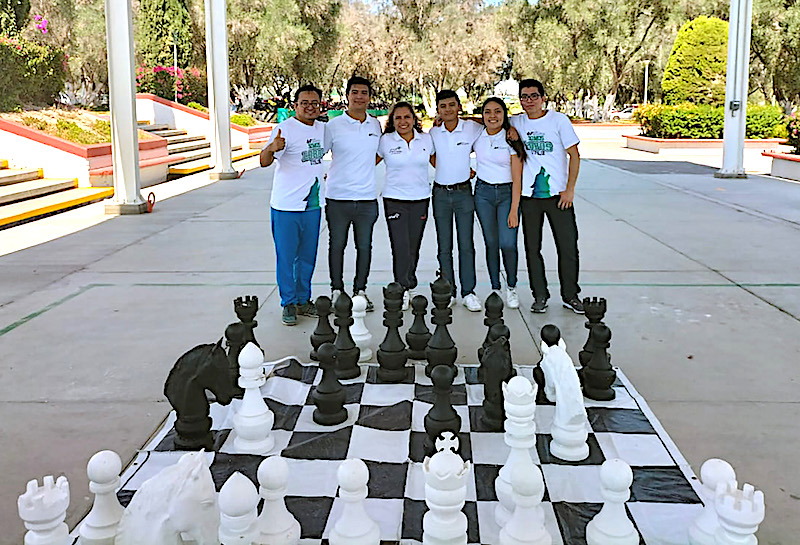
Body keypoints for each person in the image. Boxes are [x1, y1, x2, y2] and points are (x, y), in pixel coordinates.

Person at [510, 79, 584, 314]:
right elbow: (488, 119)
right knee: (533, 248)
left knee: (568, 246)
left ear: (543, 98)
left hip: (558, 197)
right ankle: (539, 295)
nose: (529, 101)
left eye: (533, 96)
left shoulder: (558, 121)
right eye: (524, 96)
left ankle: (570, 295)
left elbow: (575, 156)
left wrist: (569, 189)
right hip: (529, 198)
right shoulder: (516, 122)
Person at [260, 84, 325, 326]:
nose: (310, 107)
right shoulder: (283, 129)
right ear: (295, 105)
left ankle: (303, 299)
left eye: (314, 103)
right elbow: (264, 161)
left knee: (307, 257)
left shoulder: (323, 129)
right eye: (304, 103)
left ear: (320, 105)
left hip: (312, 206)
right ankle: (288, 302)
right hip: (286, 207)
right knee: (286, 257)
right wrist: (270, 148)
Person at [323, 76, 382, 310]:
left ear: (369, 97)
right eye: (355, 92)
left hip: (367, 199)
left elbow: (379, 153)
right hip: (338, 198)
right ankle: (337, 290)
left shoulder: (375, 125)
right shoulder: (333, 126)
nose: (360, 97)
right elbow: (318, 152)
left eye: (364, 92)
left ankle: (360, 291)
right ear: (347, 96)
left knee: (364, 246)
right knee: (337, 245)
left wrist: (364, 166)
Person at [377, 102, 435, 310]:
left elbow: (440, 162)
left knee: (414, 246)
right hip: (394, 199)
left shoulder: (426, 139)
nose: (403, 121)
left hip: (420, 199)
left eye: (406, 117)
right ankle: (401, 287)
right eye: (398, 118)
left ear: (414, 119)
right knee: (400, 245)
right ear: (392, 121)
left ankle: (410, 284)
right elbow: (366, 163)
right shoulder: (385, 141)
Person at [429, 90, 483, 311]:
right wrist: (446, 168)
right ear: (438, 109)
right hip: (441, 193)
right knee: (444, 245)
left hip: (463, 193)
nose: (448, 110)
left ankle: (468, 291)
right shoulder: (434, 133)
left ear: (459, 107)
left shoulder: (471, 128)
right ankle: (448, 290)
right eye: (443, 106)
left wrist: (465, 172)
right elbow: (431, 156)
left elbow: (492, 122)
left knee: (466, 244)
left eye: (452, 105)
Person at [473, 97, 527, 309]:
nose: (492, 116)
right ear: (483, 115)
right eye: (487, 112)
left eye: (497, 111)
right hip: (483, 193)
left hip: (507, 194)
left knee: (508, 243)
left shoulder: (510, 138)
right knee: (491, 243)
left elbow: (517, 178)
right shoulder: (477, 136)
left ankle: (511, 286)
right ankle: (495, 288)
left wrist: (514, 209)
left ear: (504, 115)